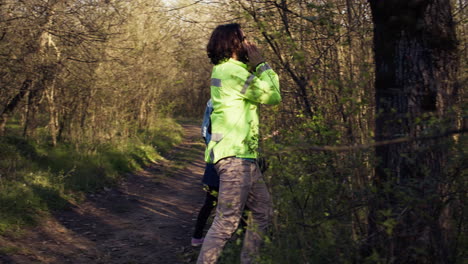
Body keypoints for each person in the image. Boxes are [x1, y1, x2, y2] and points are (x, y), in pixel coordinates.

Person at [197, 23, 281, 264]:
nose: (248, 43)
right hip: (235, 159)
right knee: (226, 222)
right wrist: (262, 64)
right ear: (234, 43)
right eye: (244, 39)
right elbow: (273, 96)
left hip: (244, 157)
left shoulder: (227, 70)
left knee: (262, 211)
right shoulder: (233, 72)